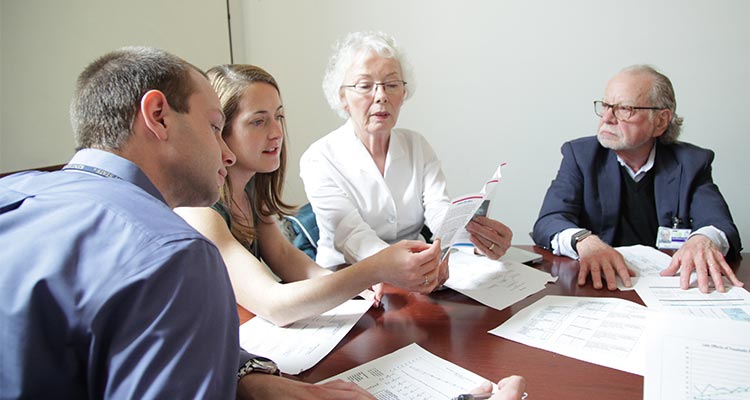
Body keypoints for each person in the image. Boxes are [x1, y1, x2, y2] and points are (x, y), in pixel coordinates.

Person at [0, 47, 375, 399]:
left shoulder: (13, 194)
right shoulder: (174, 253)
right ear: (158, 116)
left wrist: (246, 375)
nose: (226, 154)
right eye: (215, 127)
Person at [175, 64, 444, 326]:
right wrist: (372, 270)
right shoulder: (200, 212)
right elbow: (273, 305)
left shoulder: (252, 194)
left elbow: (282, 255)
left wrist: (344, 284)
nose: (277, 133)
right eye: (258, 121)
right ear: (220, 130)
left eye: (278, 117)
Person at [300, 31, 513, 279]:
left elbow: (438, 212)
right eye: (365, 86)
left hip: (420, 272)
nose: (381, 96)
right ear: (342, 97)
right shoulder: (319, 157)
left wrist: (475, 239)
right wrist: (405, 265)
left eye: (392, 85)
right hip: (350, 280)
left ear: (403, 94)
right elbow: (352, 236)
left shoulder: (417, 145)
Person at [532, 65, 743, 293]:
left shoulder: (691, 163)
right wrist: (584, 241)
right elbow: (549, 221)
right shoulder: (580, 156)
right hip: (600, 286)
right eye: (605, 106)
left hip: (669, 286)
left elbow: (720, 225)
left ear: (661, 121)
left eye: (625, 109)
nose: (607, 118)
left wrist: (703, 239)